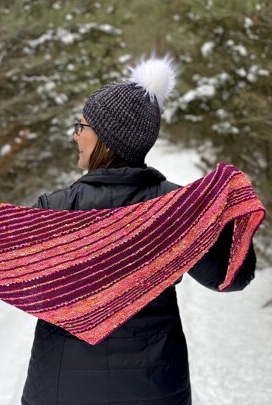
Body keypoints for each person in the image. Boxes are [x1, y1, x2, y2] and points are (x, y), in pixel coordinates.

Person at [19, 56, 257, 405]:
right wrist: (224, 214)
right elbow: (230, 276)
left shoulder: (57, 209)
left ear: (106, 138)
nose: (74, 135)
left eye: (81, 126)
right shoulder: (177, 206)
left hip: (59, 389)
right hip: (155, 386)